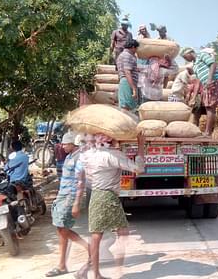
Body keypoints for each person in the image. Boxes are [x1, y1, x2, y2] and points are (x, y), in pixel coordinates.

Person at [72, 133, 146, 279]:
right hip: (108, 197)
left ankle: (89, 270)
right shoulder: (113, 155)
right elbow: (139, 168)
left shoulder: (89, 155)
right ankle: (112, 272)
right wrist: (141, 145)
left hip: (95, 195)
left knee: (96, 236)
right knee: (122, 233)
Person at [45, 132, 89, 277]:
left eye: (65, 144)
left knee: (62, 228)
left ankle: (64, 264)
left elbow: (81, 181)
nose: (63, 146)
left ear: (73, 144)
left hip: (70, 197)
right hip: (63, 195)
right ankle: (86, 249)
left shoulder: (79, 158)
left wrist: (76, 202)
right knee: (61, 228)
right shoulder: (70, 156)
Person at [181, 47, 218, 136]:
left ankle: (208, 133)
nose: (186, 59)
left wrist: (209, 80)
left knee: (210, 106)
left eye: (185, 57)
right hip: (207, 84)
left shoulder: (201, 55)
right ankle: (208, 132)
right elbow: (198, 81)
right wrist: (194, 97)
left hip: (213, 81)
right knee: (208, 106)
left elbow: (213, 64)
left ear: (189, 52)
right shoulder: (195, 65)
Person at [116, 39, 140, 112]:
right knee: (126, 106)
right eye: (136, 48)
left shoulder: (121, 55)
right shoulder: (127, 56)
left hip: (125, 82)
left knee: (126, 105)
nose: (136, 50)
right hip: (127, 82)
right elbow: (127, 72)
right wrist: (133, 88)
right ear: (133, 47)